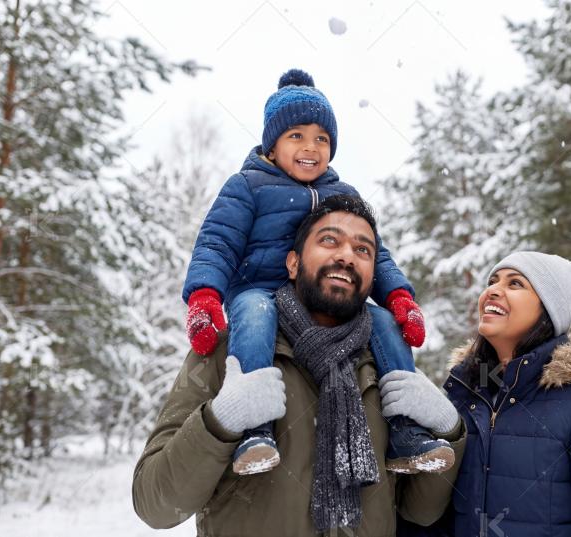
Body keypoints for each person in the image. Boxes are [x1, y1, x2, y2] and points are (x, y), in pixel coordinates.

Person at [133, 195, 466, 536]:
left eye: (363, 250)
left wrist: (448, 428)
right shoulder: (229, 352)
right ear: (292, 263)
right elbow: (155, 505)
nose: (347, 256)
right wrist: (221, 420)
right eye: (329, 240)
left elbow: (420, 512)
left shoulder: (388, 364)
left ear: (372, 276)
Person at [181, 68, 452, 476]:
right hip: (262, 290)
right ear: (271, 145)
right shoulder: (247, 185)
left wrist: (398, 297)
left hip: (324, 297)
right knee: (255, 313)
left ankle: (405, 428)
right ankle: (256, 428)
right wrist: (205, 296)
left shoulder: (343, 196)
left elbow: (374, 254)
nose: (311, 147)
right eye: (297, 136)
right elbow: (218, 242)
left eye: (321, 139)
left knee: (380, 321)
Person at [397, 251, 571, 537]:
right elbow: (429, 516)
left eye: (515, 284)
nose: (492, 290)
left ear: (549, 310)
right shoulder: (462, 394)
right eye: (492, 281)